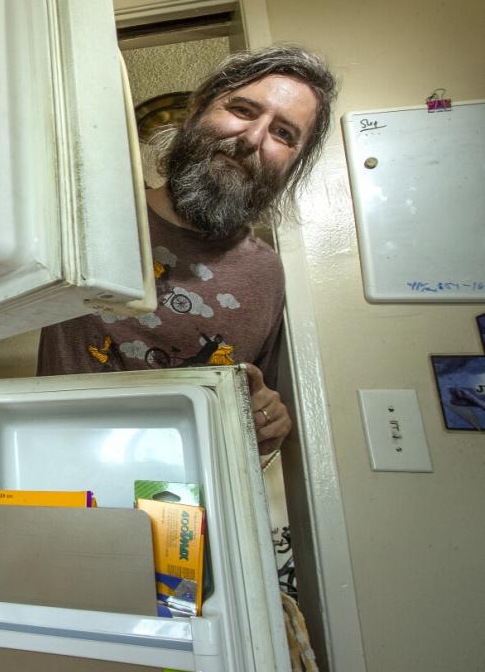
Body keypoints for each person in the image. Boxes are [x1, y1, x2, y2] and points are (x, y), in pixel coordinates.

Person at [38, 44, 338, 455]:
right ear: (196, 109)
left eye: (283, 133)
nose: (252, 138)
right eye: (243, 110)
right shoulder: (86, 217)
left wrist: (269, 418)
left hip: (185, 505)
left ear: (293, 164)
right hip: (58, 470)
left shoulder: (266, 274)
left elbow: (252, 406)